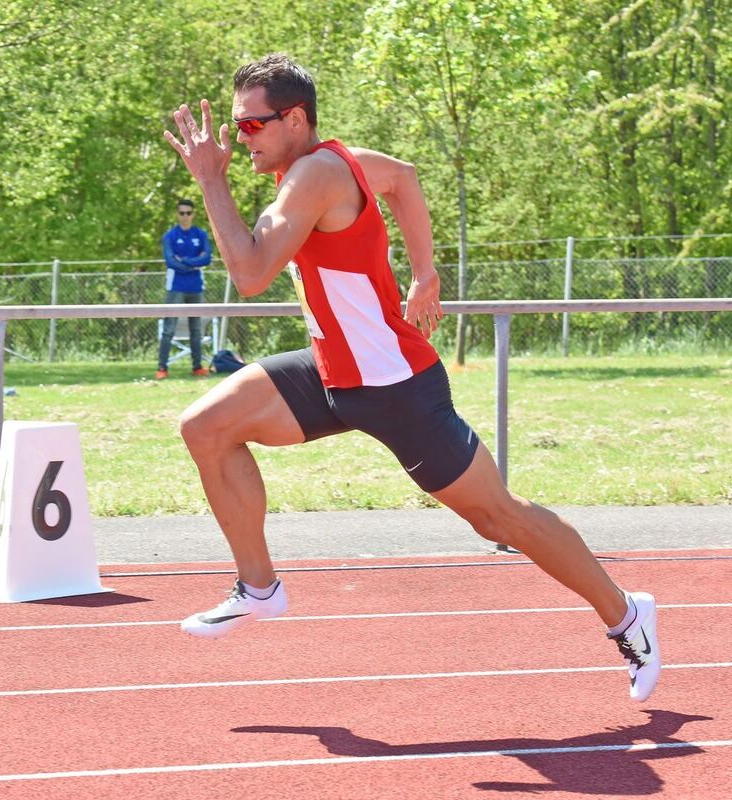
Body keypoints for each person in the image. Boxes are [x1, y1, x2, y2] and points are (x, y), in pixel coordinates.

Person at [163, 54, 660, 702]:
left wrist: (210, 182)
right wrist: (425, 271)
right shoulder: (336, 162)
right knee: (206, 427)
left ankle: (627, 615)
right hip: (334, 372)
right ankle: (259, 587)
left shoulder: (313, 176)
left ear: (294, 119)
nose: (237, 140)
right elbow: (404, 177)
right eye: (235, 129)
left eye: (250, 127)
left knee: (500, 519)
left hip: (396, 387)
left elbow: (251, 274)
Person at [156, 198, 213, 379]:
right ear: (177, 214)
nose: (185, 216)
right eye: (182, 213)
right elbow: (170, 261)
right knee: (168, 329)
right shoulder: (170, 236)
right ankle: (162, 368)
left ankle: (197, 367)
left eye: (188, 213)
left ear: (193, 214)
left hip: (196, 287)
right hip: (176, 288)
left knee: (196, 329)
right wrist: (193, 263)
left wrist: (185, 261)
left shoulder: (201, 235)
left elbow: (207, 258)